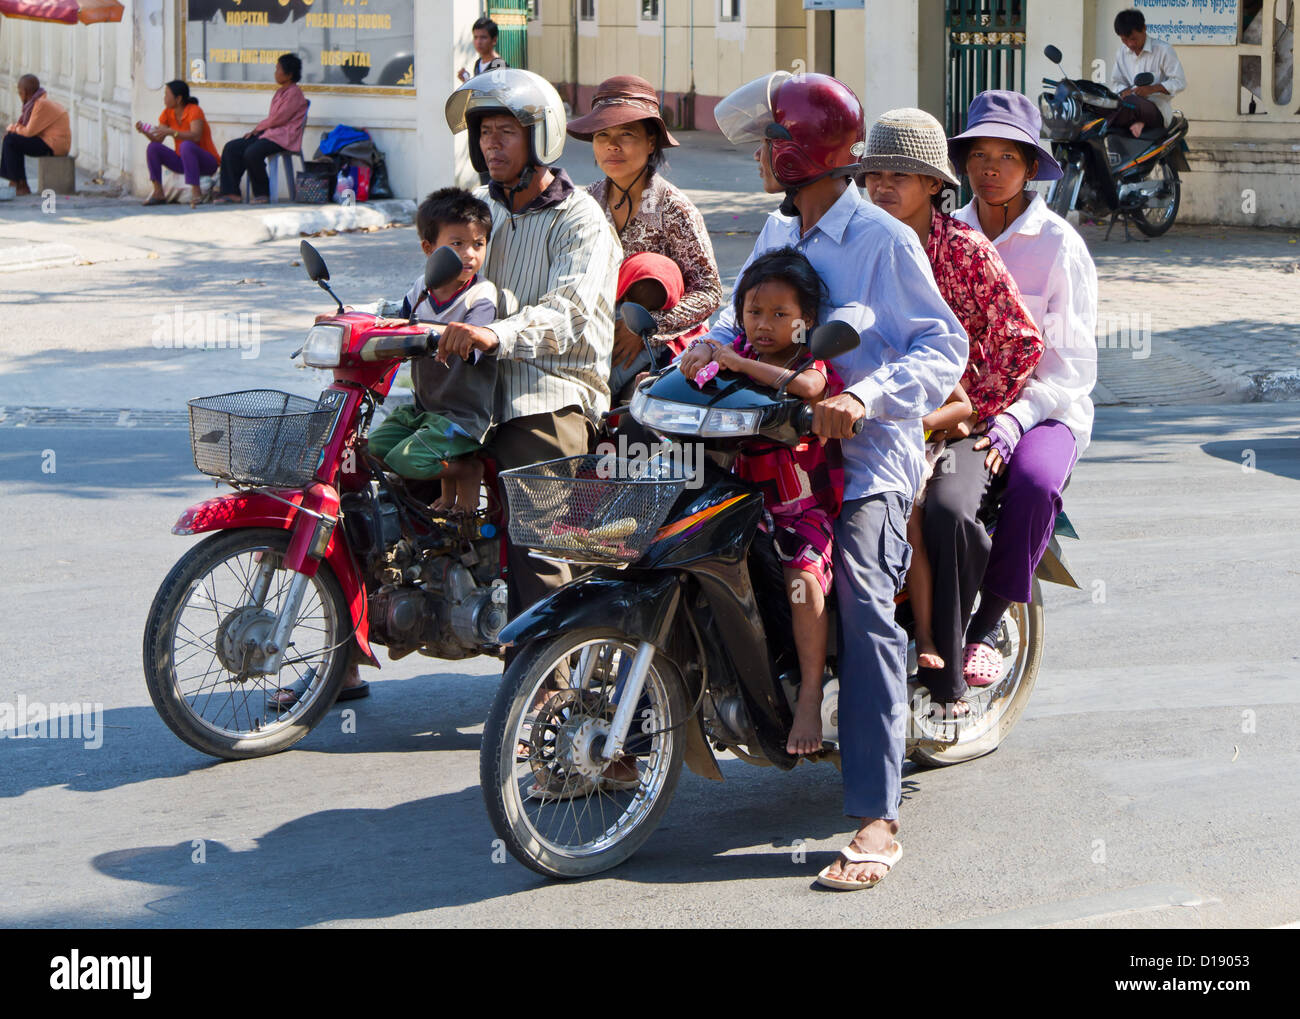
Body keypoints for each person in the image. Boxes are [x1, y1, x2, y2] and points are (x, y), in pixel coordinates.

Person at [711, 72, 968, 889]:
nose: (758, 157)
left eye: (767, 142)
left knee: (861, 600)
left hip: (865, 465)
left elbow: (942, 345)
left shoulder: (884, 239)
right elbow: (737, 312)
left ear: (796, 150)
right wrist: (697, 345)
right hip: (779, 448)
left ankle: (876, 819)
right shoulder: (776, 230)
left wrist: (864, 394)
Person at [859, 107, 1044, 692]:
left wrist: (966, 418)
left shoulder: (965, 251)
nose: (884, 187)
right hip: (867, 418)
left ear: (935, 185)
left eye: (901, 176)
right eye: (875, 175)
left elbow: (1021, 343)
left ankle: (950, 663)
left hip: (955, 426)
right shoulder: (858, 245)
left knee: (945, 511)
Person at [921, 90, 1095, 708]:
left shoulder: (1058, 245)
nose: (990, 169)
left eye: (1006, 157)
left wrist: (1015, 421)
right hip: (960, 405)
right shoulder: (947, 235)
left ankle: (989, 620)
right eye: (978, 156)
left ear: (1028, 165)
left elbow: (1071, 369)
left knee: (1034, 483)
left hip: (1044, 407)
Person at [441, 69, 620, 637]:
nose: (492, 144)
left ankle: (550, 690)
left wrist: (500, 334)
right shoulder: (476, 211)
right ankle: (343, 660)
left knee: (538, 540)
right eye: (485, 132)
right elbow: (441, 283)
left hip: (549, 390)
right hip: (473, 388)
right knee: (371, 479)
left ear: (540, 137)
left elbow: (569, 313)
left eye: (506, 132)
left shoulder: (581, 218)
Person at [679, 248, 844, 756]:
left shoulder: (807, 363)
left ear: (807, 321)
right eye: (754, 312)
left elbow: (811, 388)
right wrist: (690, 359)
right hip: (743, 510)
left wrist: (738, 360)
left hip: (802, 514)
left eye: (779, 314)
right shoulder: (728, 364)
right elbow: (688, 385)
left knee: (801, 582)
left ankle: (812, 695)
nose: (764, 324)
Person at [566, 75, 722, 402]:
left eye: (627, 134)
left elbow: (709, 290)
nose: (613, 145)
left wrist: (648, 327)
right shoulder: (584, 204)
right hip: (590, 337)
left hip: (658, 348)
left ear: (651, 143)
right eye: (603, 135)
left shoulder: (673, 208)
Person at [366, 188, 499, 513]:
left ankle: (468, 471)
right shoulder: (421, 289)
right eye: (457, 244)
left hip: (465, 416)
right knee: (371, 449)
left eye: (478, 244)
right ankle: (448, 496)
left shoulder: (481, 295)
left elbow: (476, 342)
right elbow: (398, 326)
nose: (470, 254)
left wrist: (459, 339)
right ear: (429, 249)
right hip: (426, 409)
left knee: (407, 459)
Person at [215, 53, 309, 204]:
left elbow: (279, 118)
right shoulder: (280, 92)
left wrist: (257, 129)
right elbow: (273, 120)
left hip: (283, 137)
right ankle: (231, 192)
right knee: (232, 147)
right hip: (270, 134)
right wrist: (258, 131)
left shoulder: (294, 93)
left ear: (289, 74)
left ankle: (262, 193)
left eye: (278, 69)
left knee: (253, 152)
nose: (275, 73)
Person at [137, 81, 220, 208]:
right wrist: (144, 131)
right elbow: (158, 140)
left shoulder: (194, 110)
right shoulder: (167, 113)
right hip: (183, 161)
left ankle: (196, 192)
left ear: (178, 98)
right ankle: (158, 192)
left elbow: (196, 136)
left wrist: (172, 132)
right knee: (153, 148)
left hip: (207, 163)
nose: (164, 98)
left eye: (167, 95)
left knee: (186, 145)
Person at [1108, 8, 1187, 138]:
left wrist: (1152, 89)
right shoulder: (1122, 52)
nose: (1130, 44)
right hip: (1129, 105)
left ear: (1144, 28)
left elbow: (1180, 82)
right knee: (1102, 104)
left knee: (1133, 103)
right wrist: (1123, 91)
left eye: (1133, 38)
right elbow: (1117, 82)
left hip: (1156, 108)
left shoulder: (1163, 50)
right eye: (1124, 40)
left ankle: (1140, 121)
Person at [2, 75, 70, 197]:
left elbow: (29, 132)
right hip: (49, 141)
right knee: (11, 139)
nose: (19, 95)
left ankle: (20, 184)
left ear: (25, 92)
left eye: (20, 92)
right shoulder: (37, 102)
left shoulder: (40, 104)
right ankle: (16, 181)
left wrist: (13, 128)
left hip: (54, 146)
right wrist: (15, 130)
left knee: (11, 140)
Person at [458, 17, 508, 83]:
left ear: (494, 40)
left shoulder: (499, 65)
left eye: (483, 37)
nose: (478, 42)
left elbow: (497, 92)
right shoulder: (478, 63)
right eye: (475, 37)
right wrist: (467, 81)